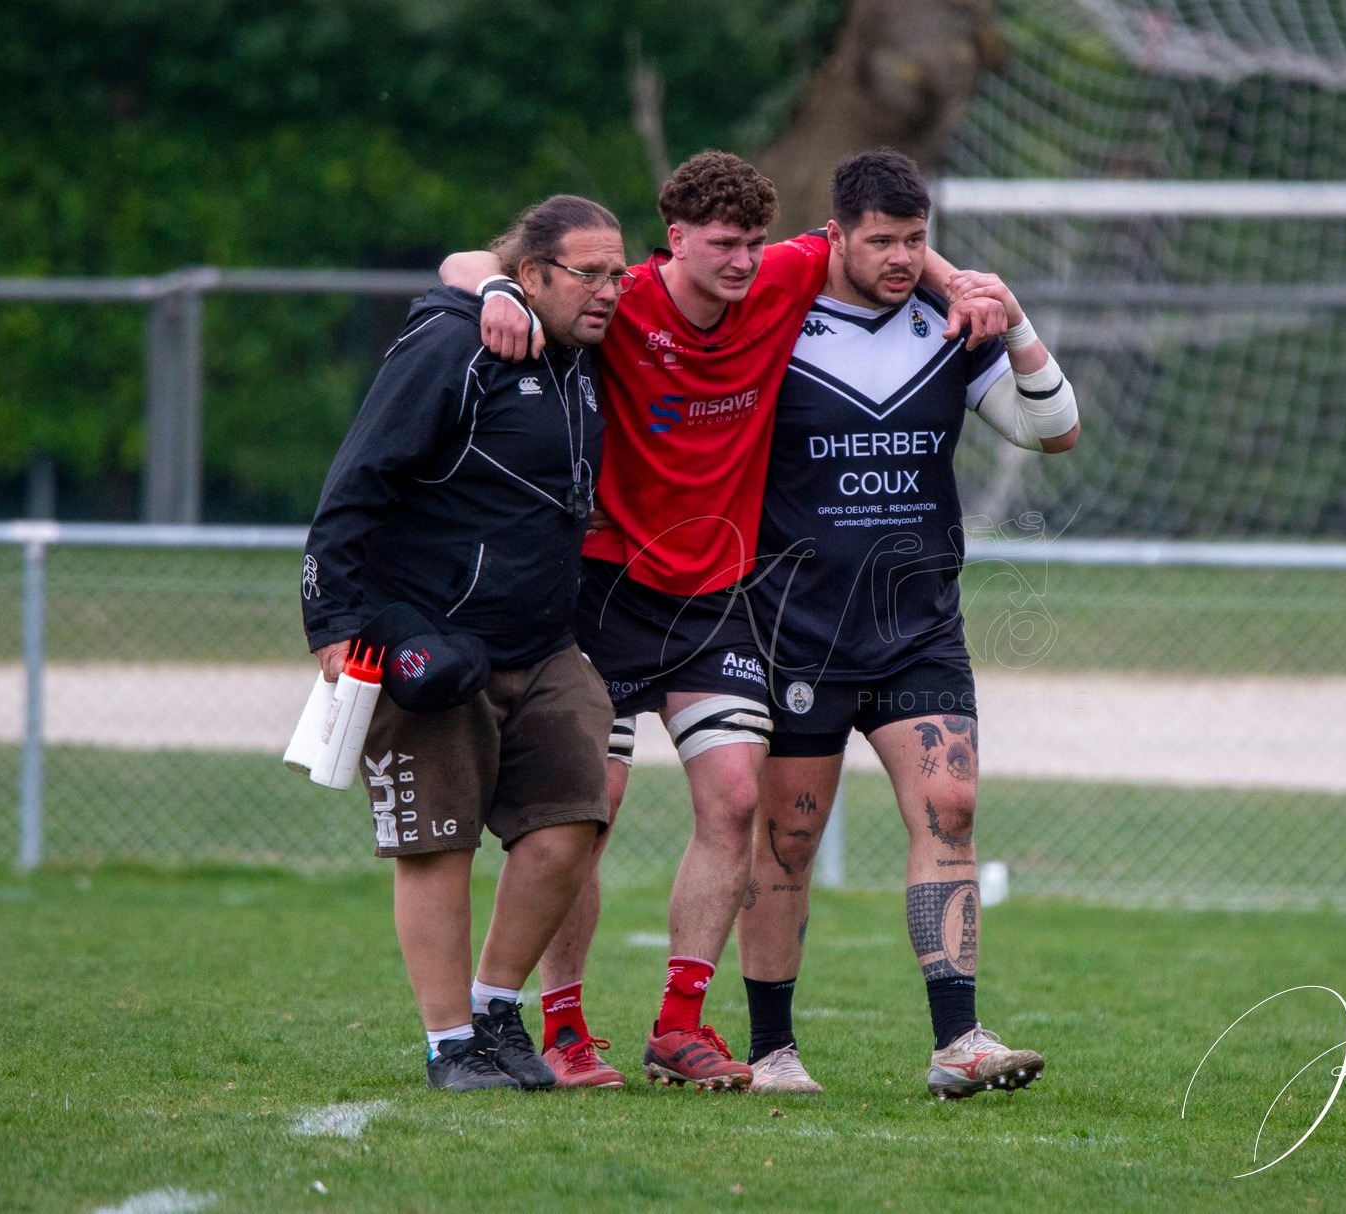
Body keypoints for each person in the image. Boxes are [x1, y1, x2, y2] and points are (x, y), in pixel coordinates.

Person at [438, 151, 1003, 1090]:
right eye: (722, 245)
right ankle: (565, 1030)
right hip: (607, 591)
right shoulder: (621, 302)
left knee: (737, 799)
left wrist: (962, 279)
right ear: (675, 243)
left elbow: (859, 245)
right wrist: (495, 288)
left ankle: (679, 1026)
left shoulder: (780, 278)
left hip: (716, 599)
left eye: (752, 243)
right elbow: (465, 265)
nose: (742, 262)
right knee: (588, 813)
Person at [733, 149, 1080, 1099]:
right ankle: (770, 1050)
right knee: (788, 839)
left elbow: (1052, 430)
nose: (899, 257)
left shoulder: (950, 326)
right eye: (879, 240)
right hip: (793, 625)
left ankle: (958, 1041)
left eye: (915, 240)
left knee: (951, 809)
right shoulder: (774, 321)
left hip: (918, 626)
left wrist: (1008, 315)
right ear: (834, 236)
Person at [301, 195, 625, 1091]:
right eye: (588, 274)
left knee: (569, 828)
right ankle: (450, 1045)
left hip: (544, 644)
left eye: (617, 274)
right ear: (532, 275)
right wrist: (331, 627)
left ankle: (494, 1012)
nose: (608, 291)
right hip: (428, 641)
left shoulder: (582, 356)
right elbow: (355, 480)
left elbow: (465, 262)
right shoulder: (457, 344)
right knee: (437, 844)